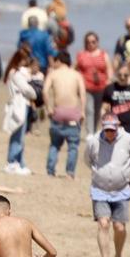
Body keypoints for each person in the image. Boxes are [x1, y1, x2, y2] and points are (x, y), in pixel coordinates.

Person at [84, 115, 130, 257]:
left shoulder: (128, 139)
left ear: (118, 127)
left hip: (121, 190)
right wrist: (99, 173)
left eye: (112, 130)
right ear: (102, 127)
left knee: (120, 227)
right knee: (103, 223)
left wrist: (124, 173)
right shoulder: (93, 141)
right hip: (99, 190)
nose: (110, 133)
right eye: (107, 130)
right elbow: (87, 160)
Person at [43, 51, 87, 179]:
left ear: (59, 61)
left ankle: (50, 171)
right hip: (73, 112)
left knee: (55, 144)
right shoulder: (77, 75)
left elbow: (45, 91)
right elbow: (83, 94)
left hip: (58, 112)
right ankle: (70, 172)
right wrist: (82, 111)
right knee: (73, 146)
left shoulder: (53, 74)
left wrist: (48, 108)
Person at [1, 49, 37, 175]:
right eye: (24, 59)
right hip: (20, 105)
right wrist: (35, 93)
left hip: (19, 104)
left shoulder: (13, 72)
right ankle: (13, 162)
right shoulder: (16, 73)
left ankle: (19, 162)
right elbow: (26, 89)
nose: (26, 61)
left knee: (19, 135)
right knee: (18, 135)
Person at [101, 62, 130, 146]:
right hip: (115, 129)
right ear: (116, 74)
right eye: (120, 75)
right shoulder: (109, 88)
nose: (122, 77)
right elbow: (104, 108)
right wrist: (104, 123)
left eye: (125, 75)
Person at [75, 32, 112, 134]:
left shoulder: (103, 54)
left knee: (99, 112)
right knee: (89, 110)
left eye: (93, 42)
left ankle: (95, 131)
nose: (91, 44)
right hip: (87, 88)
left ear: (97, 42)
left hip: (102, 88)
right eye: (88, 42)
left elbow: (109, 69)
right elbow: (75, 69)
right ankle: (90, 133)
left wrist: (109, 82)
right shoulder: (81, 55)